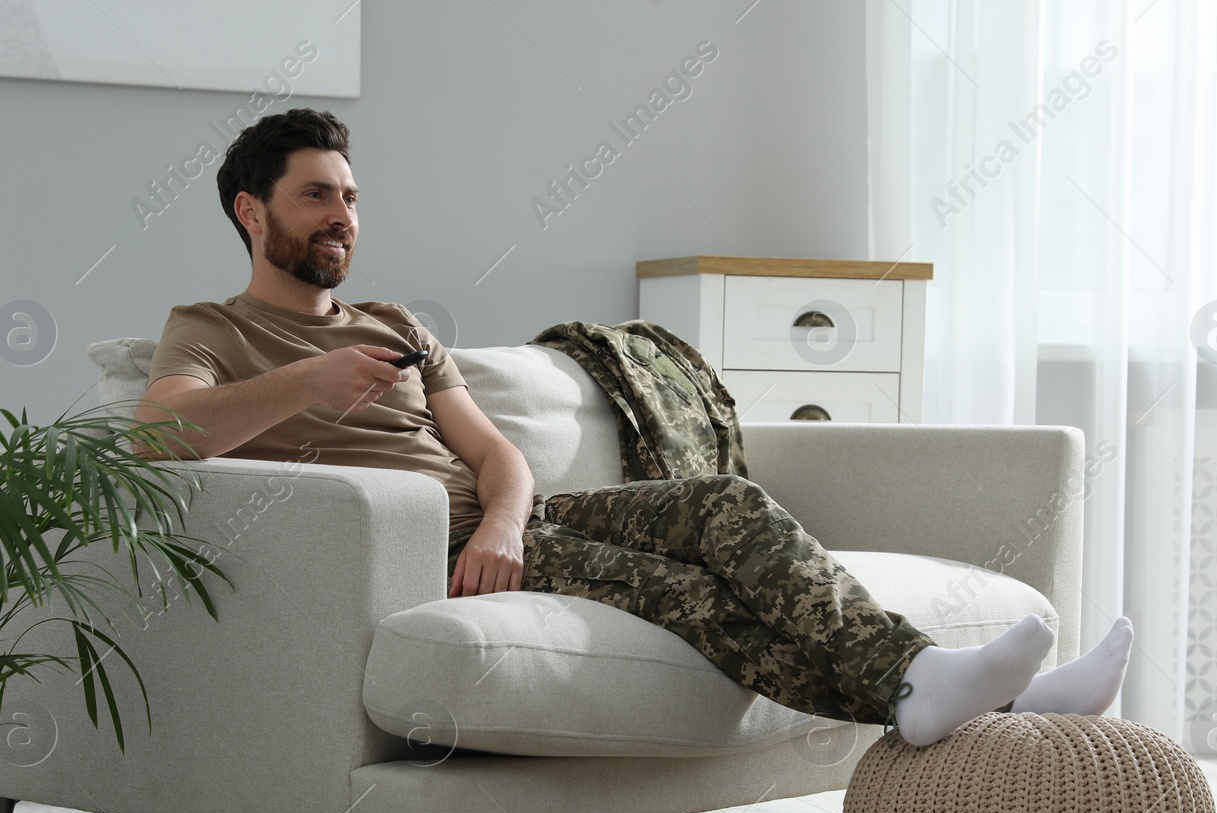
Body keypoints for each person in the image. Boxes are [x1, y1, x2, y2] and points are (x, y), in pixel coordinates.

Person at [133, 108, 1134, 748]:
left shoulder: (395, 326)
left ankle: (946, 691)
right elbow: (160, 435)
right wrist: (306, 380)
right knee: (685, 591)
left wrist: (502, 524)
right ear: (251, 214)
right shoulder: (208, 328)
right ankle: (976, 706)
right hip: (404, 545)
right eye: (316, 196)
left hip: (494, 530)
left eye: (350, 196)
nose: (342, 215)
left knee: (721, 504)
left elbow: (494, 454)